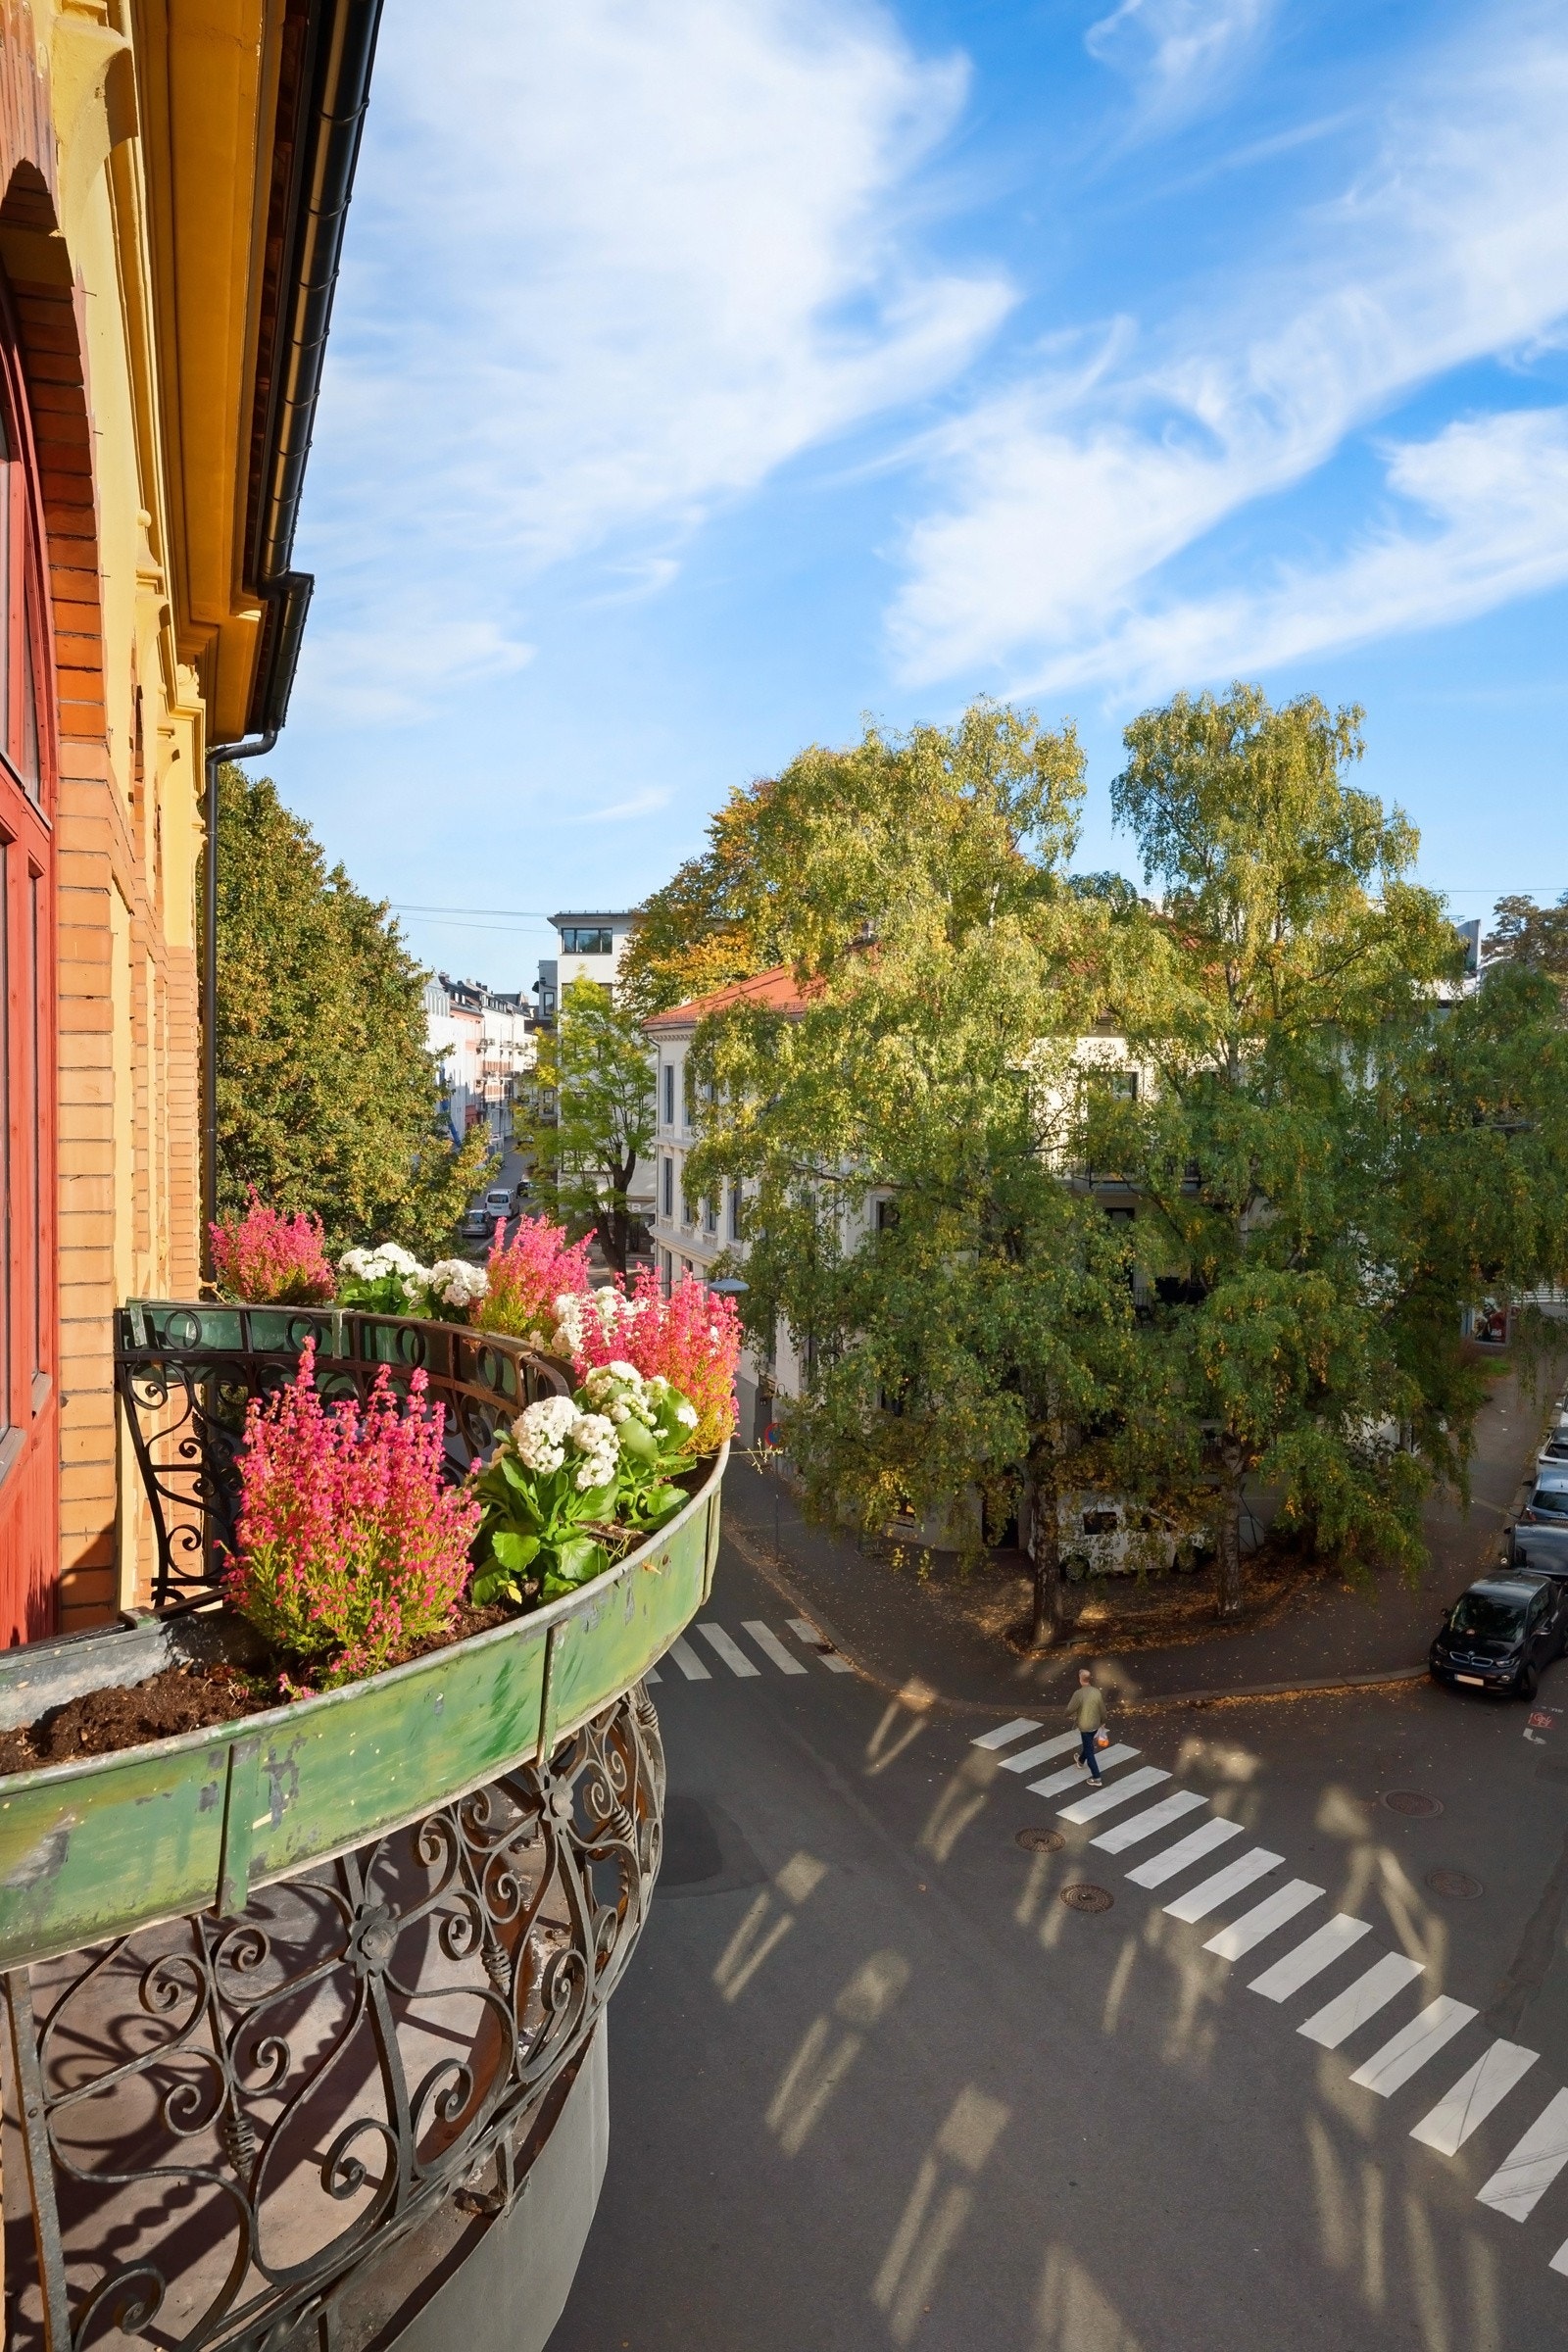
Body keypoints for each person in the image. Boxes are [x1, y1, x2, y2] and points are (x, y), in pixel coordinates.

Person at [1066, 1668, 1107, 1789]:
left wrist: (1065, 1714)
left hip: (1085, 1725)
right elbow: (1102, 1709)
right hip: (1095, 1724)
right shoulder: (1096, 1692)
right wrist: (1103, 1721)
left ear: (1080, 1679)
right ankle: (1080, 1760)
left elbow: (1070, 1709)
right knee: (1088, 1744)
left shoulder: (1078, 1694)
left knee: (1090, 1751)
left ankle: (1096, 1777)